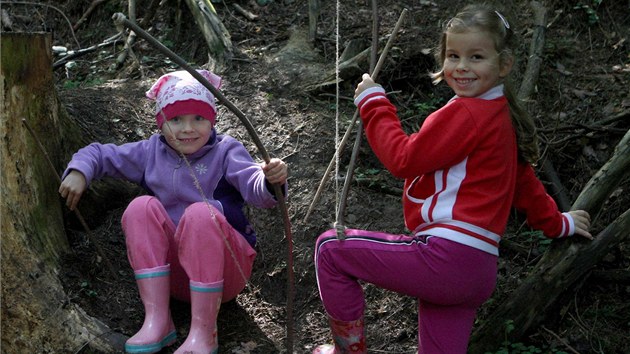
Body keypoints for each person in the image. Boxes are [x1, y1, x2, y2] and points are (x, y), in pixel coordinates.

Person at [312, 4, 593, 354]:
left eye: (476, 57)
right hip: (476, 272)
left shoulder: (467, 112)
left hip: (446, 257)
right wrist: (558, 224)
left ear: (503, 65)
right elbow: (526, 185)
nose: (462, 67)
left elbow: (403, 159)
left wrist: (373, 104)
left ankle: (347, 351)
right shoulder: (500, 118)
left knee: (330, 250)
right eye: (453, 55)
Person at [59, 69, 288, 354]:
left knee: (200, 214)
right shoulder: (151, 152)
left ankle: (205, 333)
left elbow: (255, 187)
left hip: (225, 272)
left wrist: (269, 179)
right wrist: (80, 170)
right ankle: (158, 320)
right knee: (140, 207)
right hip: (173, 279)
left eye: (199, 119)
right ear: (160, 123)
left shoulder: (226, 151)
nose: (187, 129)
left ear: (212, 120)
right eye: (175, 119)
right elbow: (102, 153)